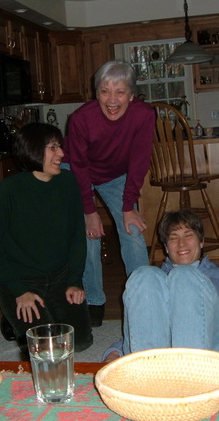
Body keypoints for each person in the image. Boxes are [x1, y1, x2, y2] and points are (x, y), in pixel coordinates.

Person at [0, 123, 93, 353]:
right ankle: (12, 318)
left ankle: (31, 318)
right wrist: (18, 291)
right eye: (53, 147)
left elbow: (76, 237)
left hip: (60, 278)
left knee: (80, 342)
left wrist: (74, 280)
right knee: (47, 347)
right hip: (22, 282)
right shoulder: (7, 192)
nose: (61, 153)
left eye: (59, 146)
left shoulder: (68, 182)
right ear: (33, 150)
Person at [63, 60, 156, 326]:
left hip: (116, 176)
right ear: (96, 94)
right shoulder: (81, 119)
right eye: (105, 91)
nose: (112, 100)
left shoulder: (144, 115)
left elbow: (139, 161)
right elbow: (79, 165)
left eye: (120, 92)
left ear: (131, 95)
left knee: (133, 231)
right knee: (89, 234)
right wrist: (89, 211)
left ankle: (144, 299)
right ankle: (93, 301)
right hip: (78, 170)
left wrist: (128, 207)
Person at [103, 209, 219, 362]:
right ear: (166, 247)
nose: (181, 243)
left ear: (202, 241)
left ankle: (191, 373)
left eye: (189, 235)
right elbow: (141, 327)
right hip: (161, 358)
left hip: (213, 355)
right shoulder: (154, 282)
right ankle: (149, 374)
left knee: (184, 275)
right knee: (143, 274)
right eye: (173, 238)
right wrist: (116, 351)